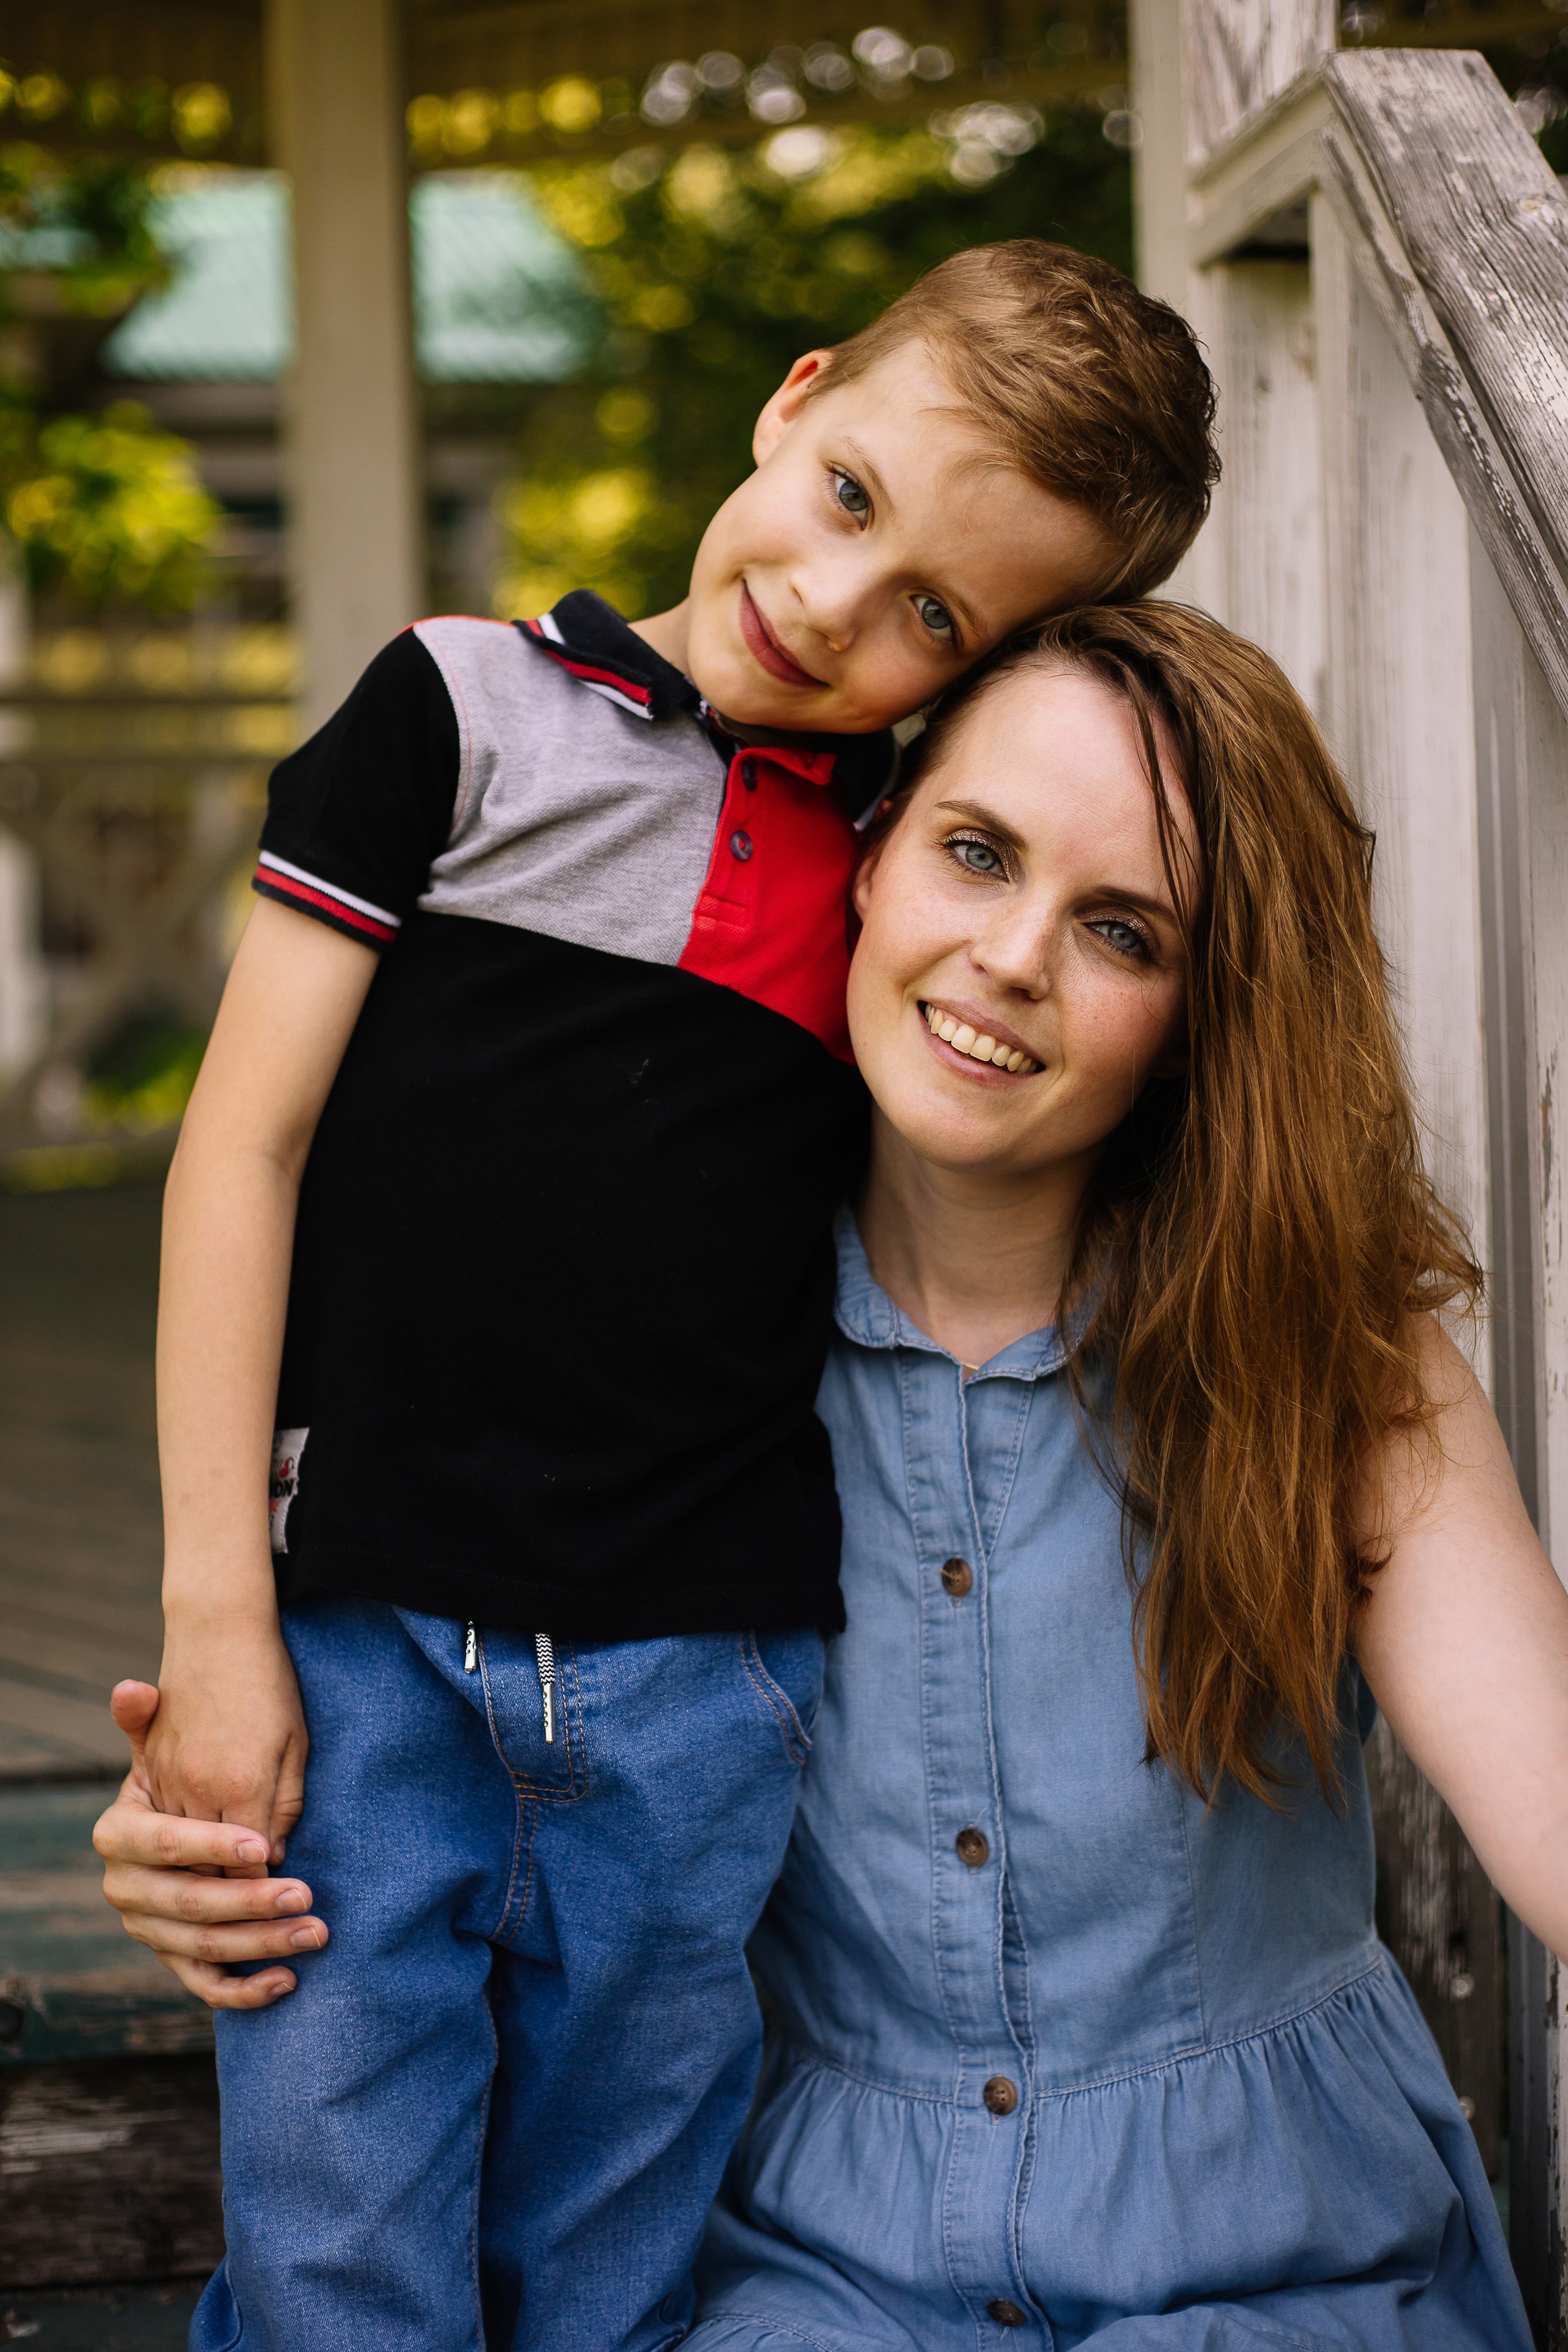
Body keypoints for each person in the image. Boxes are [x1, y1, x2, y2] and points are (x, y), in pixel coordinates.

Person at [91, 245, 1219, 2352]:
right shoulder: (450, 715)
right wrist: (214, 1616)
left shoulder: (906, 862)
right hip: (362, 1647)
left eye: (938, 622)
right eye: (859, 498)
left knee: (615, 2257)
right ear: (797, 399)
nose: (838, 607)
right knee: (342, 2245)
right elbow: (236, 1156)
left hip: (707, 1685)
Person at [681, 604, 1551, 2348]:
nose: (1010, 957)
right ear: (871, 856)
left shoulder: (1333, 1360)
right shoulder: (677, 1335)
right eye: (977, 853)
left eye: (1120, 929)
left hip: (1278, 2279)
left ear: (1201, 1009)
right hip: (827, 2279)